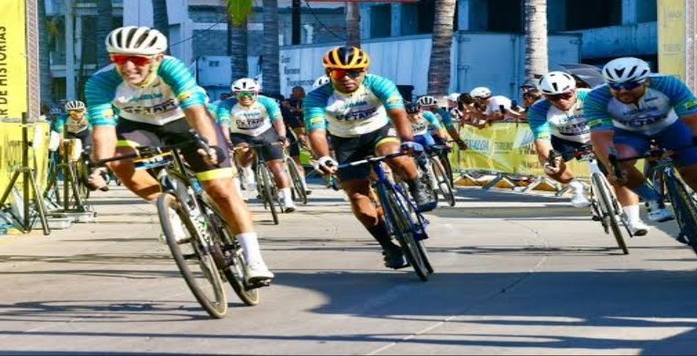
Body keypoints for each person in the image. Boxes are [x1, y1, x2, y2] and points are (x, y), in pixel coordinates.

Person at [85, 26, 274, 284]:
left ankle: (254, 260)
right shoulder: (100, 82)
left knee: (221, 190)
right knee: (117, 160)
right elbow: (103, 131)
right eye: (119, 59)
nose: (128, 67)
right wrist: (99, 166)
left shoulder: (172, 68)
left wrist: (210, 146)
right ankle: (171, 205)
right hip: (139, 125)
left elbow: (196, 112)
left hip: (183, 120)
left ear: (157, 58)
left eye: (138, 59)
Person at [584, 57, 697, 261]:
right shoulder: (596, 97)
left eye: (630, 85)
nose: (623, 91)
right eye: (616, 87)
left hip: (671, 128)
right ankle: (651, 197)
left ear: (646, 81)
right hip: (630, 134)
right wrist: (612, 169)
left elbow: (695, 120)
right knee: (620, 164)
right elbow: (601, 136)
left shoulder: (668, 84)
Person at [304, 45, 436, 270]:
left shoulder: (379, 84)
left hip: (380, 132)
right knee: (357, 197)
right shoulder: (317, 97)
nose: (347, 78)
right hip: (346, 142)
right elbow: (316, 132)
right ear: (329, 73)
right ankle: (389, 246)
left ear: (365, 71)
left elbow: (398, 113)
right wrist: (324, 157)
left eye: (355, 72)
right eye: (339, 72)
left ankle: (417, 186)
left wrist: (407, 141)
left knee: (393, 154)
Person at [529, 71, 673, 232]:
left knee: (619, 170)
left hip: (598, 134)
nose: (561, 100)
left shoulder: (591, 97)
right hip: (565, 139)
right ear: (545, 97)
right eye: (554, 97)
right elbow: (542, 142)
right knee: (549, 163)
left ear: (574, 89)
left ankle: (633, 220)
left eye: (566, 95)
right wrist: (551, 159)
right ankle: (576, 186)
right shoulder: (538, 110)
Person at [217, 79, 297, 213]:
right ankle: (246, 169)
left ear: (256, 93)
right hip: (240, 134)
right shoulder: (226, 105)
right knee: (244, 150)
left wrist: (282, 136)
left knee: (277, 167)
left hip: (265, 132)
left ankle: (288, 200)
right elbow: (224, 125)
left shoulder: (267, 102)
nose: (246, 97)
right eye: (241, 94)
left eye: (250, 94)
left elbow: (278, 121)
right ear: (235, 95)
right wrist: (227, 141)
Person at [53, 100, 110, 191]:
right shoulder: (62, 118)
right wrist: (62, 144)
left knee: (89, 150)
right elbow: (61, 134)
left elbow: (94, 131)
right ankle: (71, 169)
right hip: (70, 134)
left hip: (84, 134)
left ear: (84, 111)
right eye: (73, 112)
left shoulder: (88, 117)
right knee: (68, 149)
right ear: (68, 113)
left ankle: (93, 171)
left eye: (79, 111)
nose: (76, 114)